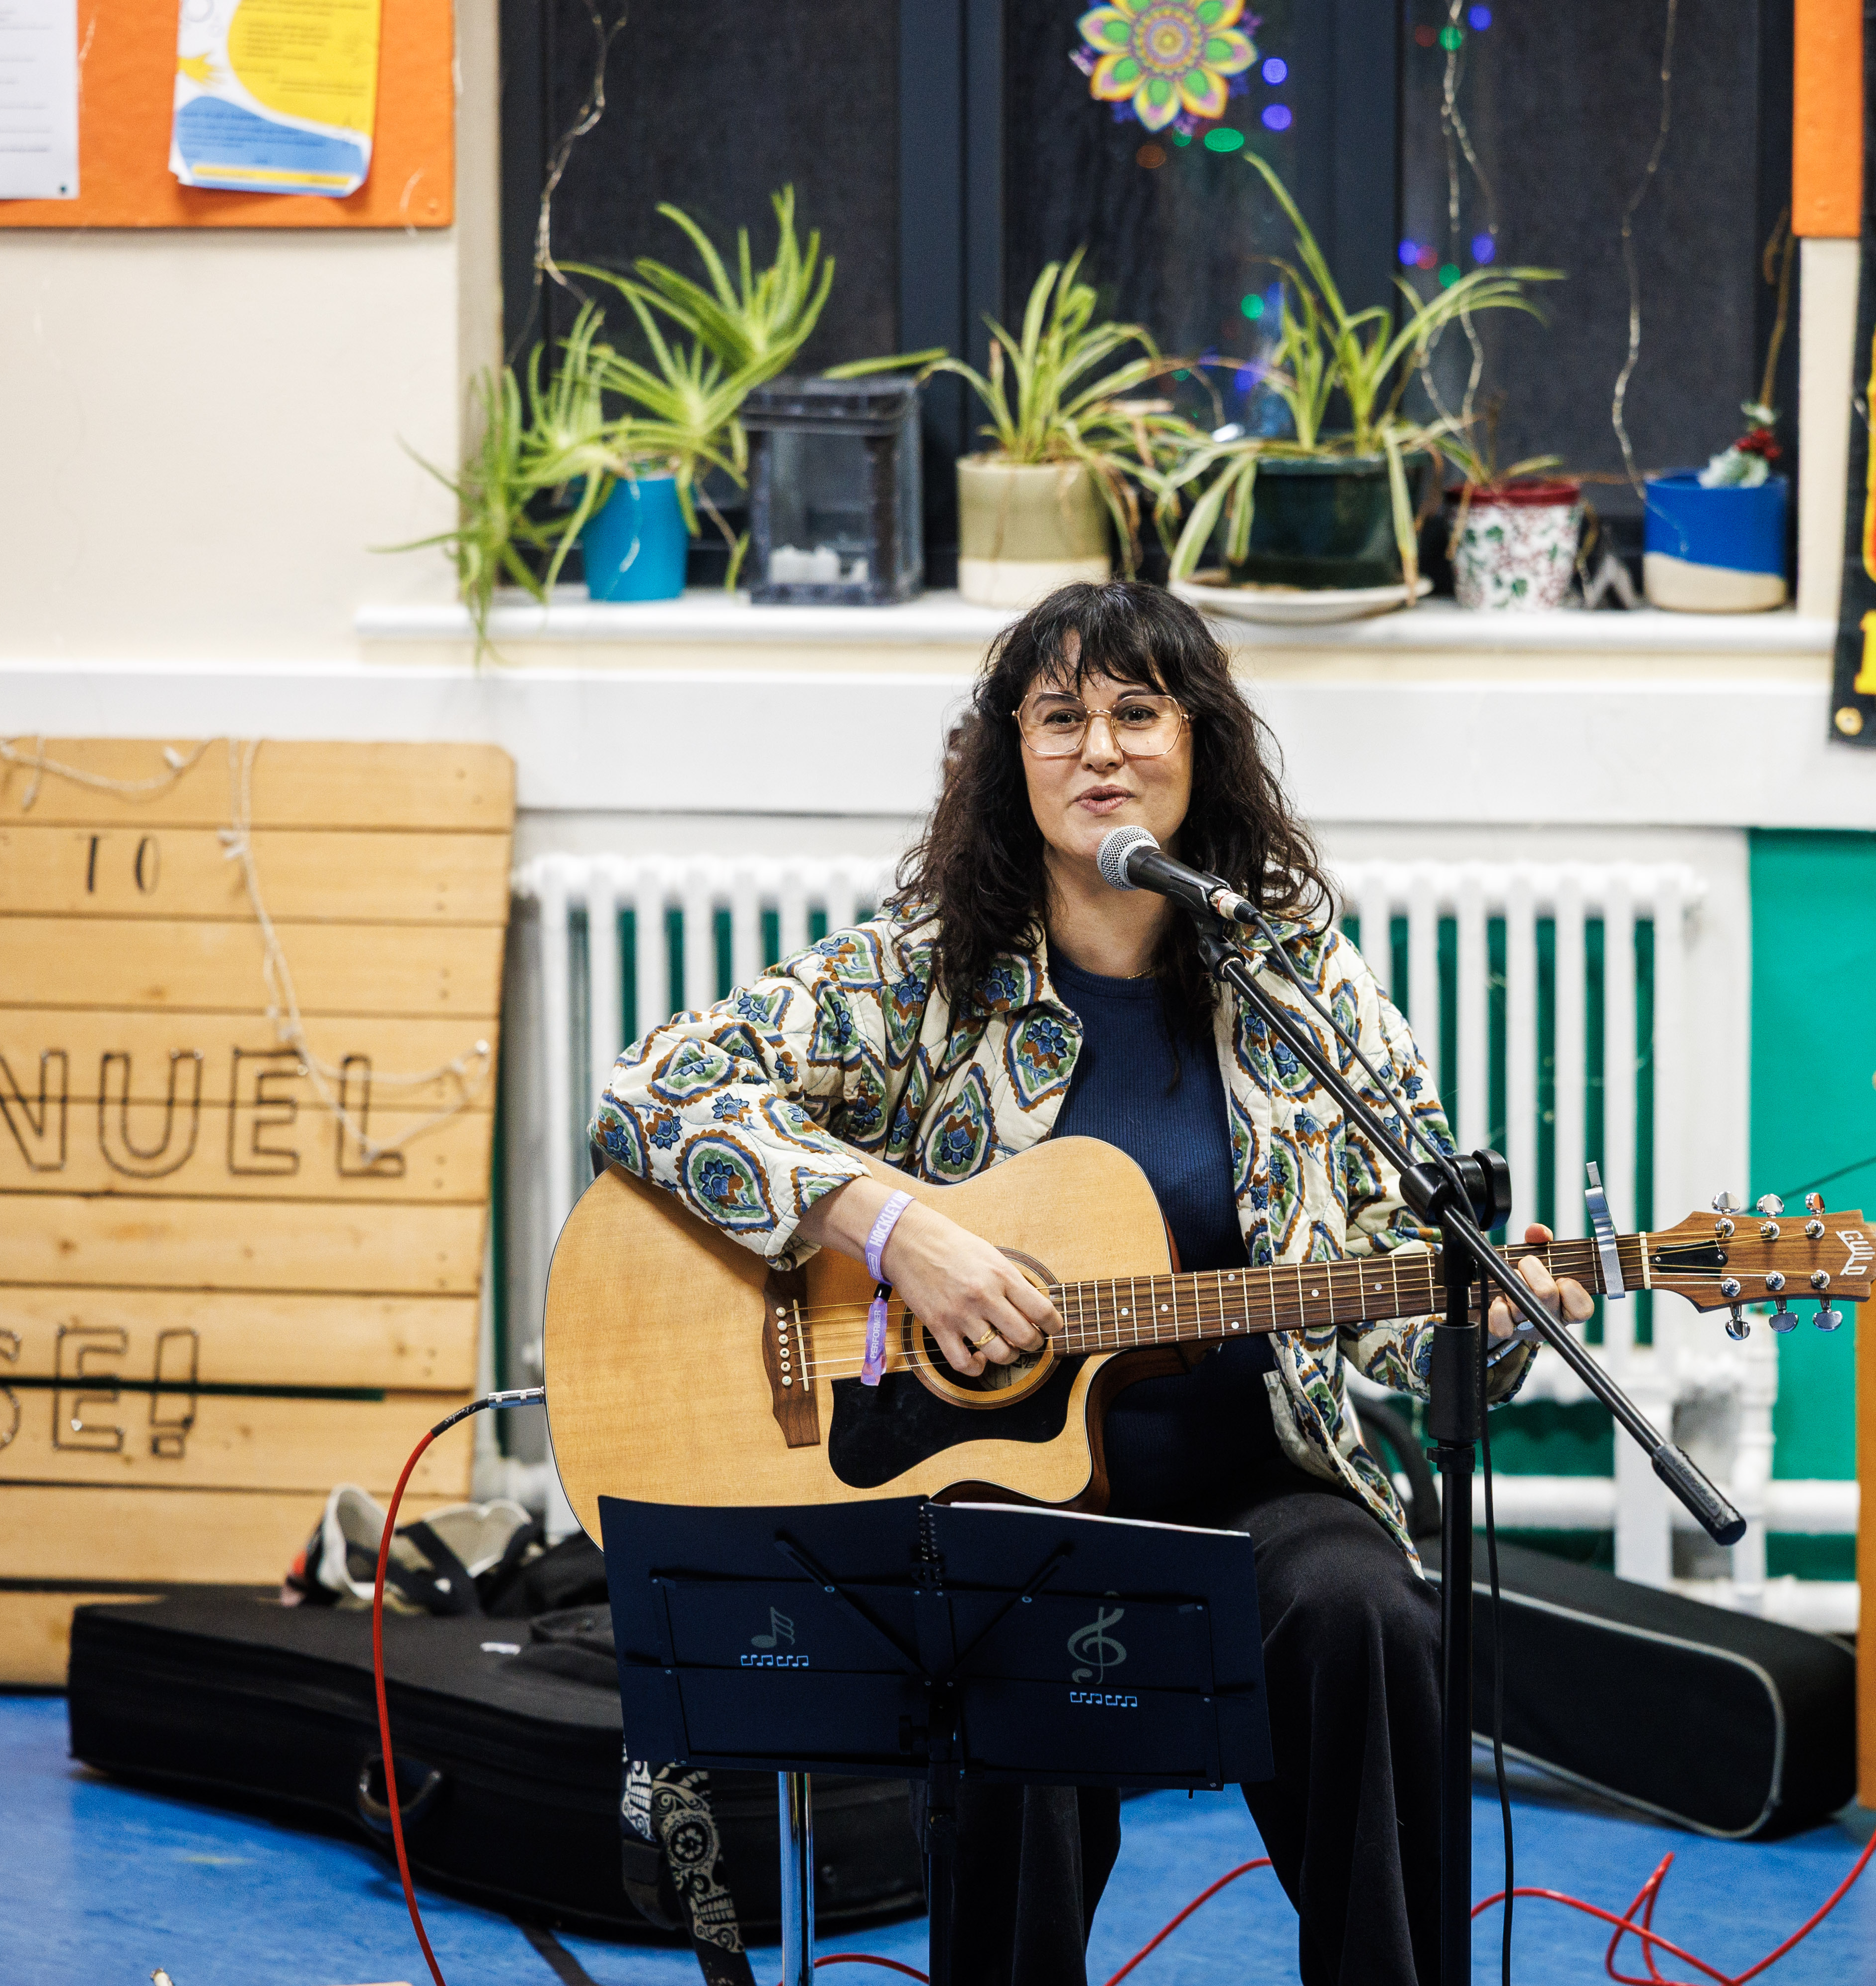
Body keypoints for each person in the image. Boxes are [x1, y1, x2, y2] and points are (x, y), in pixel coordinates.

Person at [594, 580, 1592, 1985]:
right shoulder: (925, 973)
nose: (1101, 749)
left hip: (1258, 1487)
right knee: (1003, 1614)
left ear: (1201, 745)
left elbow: (1392, 1279)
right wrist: (894, 1230)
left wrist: (1488, 1320)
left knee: (1368, 1614)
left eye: (1139, 712)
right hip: (1000, 1494)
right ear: (1011, 752)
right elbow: (650, 1089)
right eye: (1060, 717)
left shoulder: (1300, 981)